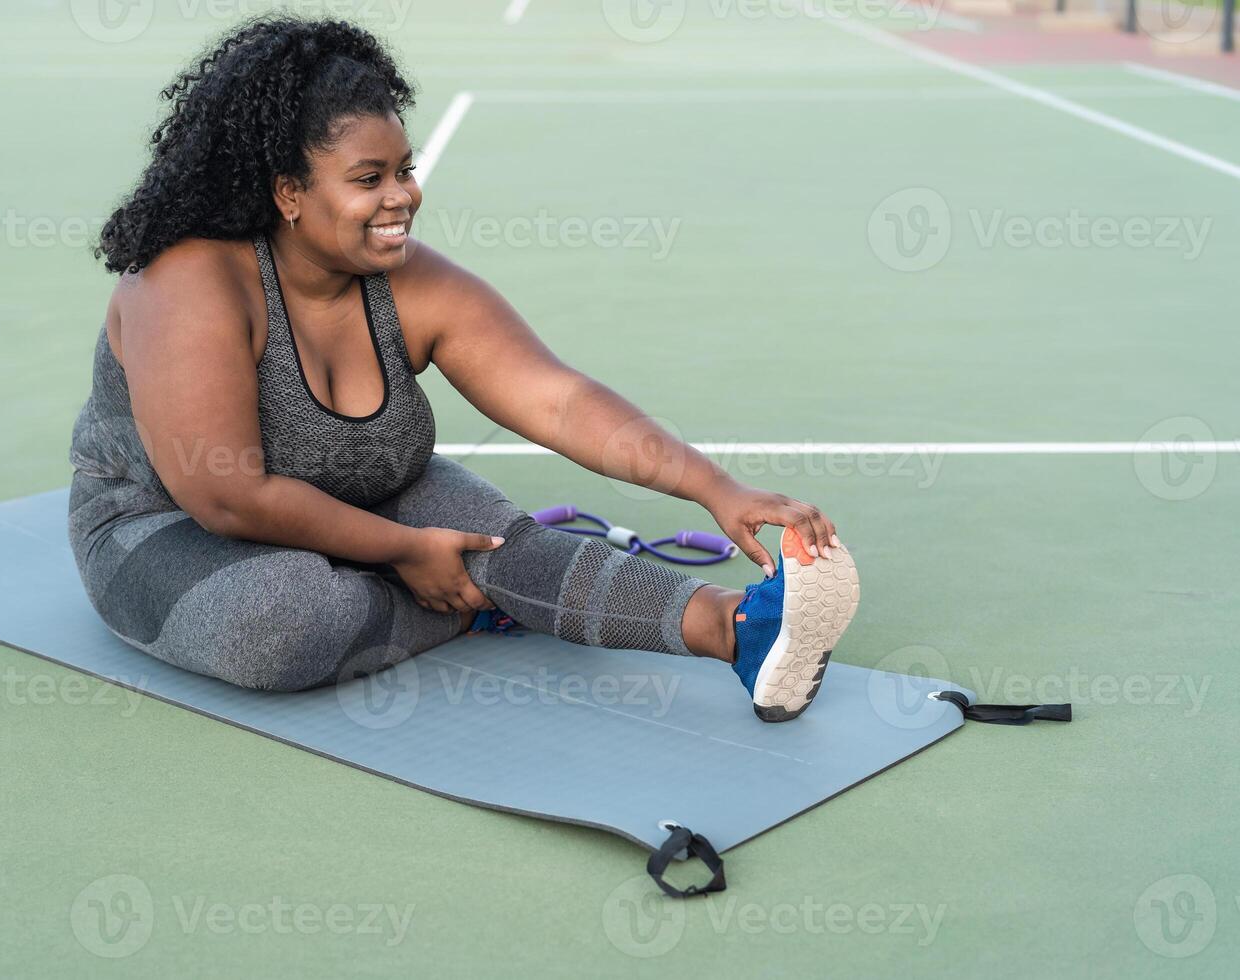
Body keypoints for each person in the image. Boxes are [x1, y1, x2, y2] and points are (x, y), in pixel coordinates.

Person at [67, 15, 858, 721]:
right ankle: (471, 598)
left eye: (404, 170)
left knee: (498, 545)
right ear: (289, 193)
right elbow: (227, 496)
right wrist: (408, 552)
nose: (402, 197)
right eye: (368, 179)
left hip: (361, 489)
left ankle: (739, 629)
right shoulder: (188, 282)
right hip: (164, 524)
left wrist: (714, 487)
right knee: (284, 623)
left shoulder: (412, 284)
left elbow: (558, 401)